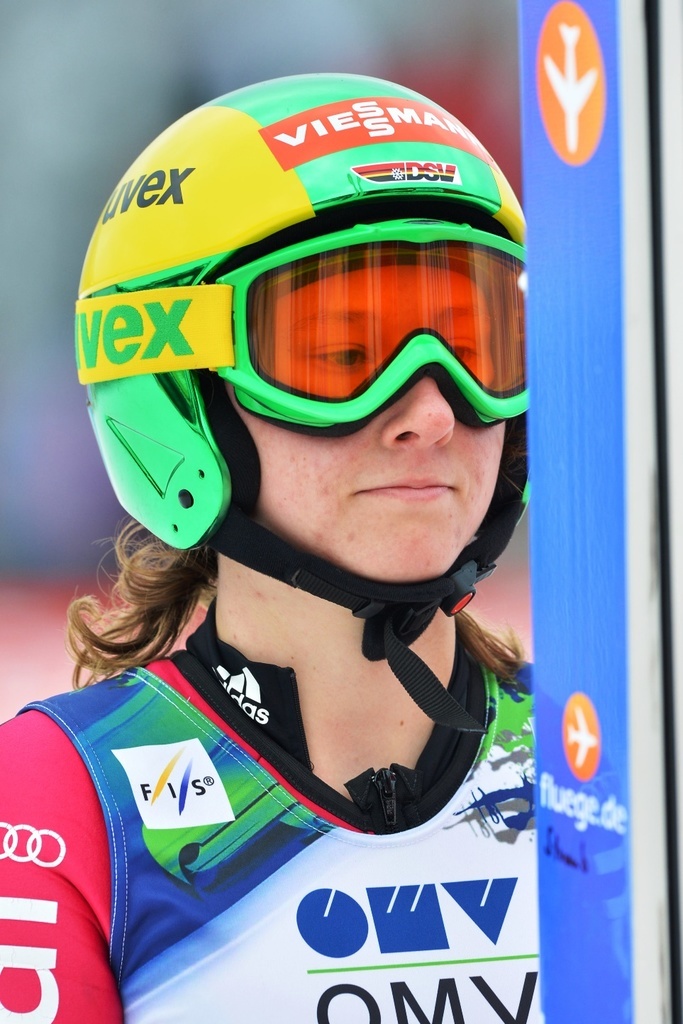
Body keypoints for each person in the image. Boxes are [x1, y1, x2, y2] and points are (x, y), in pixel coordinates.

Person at [0, 74, 536, 1023]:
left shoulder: (611, 756)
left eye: (473, 344)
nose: (428, 412)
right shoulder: (62, 800)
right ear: (178, 394)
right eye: (340, 355)